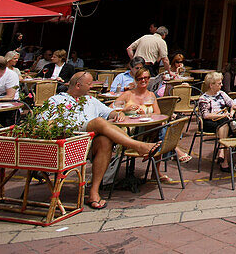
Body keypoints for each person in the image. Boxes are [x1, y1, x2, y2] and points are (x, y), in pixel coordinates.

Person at [45, 72, 160, 210]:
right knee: (99, 122)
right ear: (78, 85)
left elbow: (109, 111)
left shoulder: (90, 100)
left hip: (89, 145)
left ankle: (94, 192)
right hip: (70, 141)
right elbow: (45, 123)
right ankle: (138, 146)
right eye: (89, 84)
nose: (92, 86)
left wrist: (119, 113)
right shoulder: (56, 101)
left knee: (105, 140)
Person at [197, 71, 236, 172]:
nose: (222, 85)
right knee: (225, 123)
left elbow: (233, 104)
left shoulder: (222, 94)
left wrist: (231, 113)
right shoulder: (203, 98)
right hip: (208, 123)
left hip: (222, 122)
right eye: (219, 83)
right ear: (211, 85)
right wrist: (222, 115)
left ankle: (222, 153)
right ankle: (224, 158)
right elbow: (205, 115)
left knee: (224, 123)